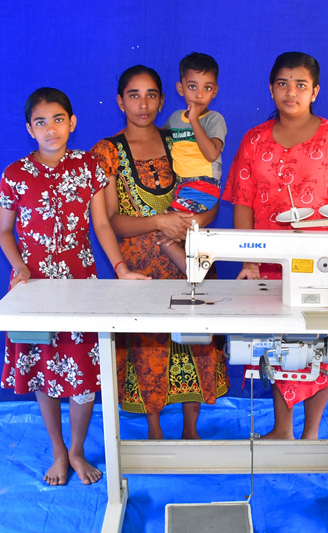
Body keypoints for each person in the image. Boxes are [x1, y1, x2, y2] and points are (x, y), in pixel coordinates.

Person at [0, 87, 150, 486]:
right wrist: (19, 268)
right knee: (43, 371)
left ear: (72, 122)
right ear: (30, 129)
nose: (51, 129)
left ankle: (78, 450)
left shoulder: (88, 167)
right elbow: (5, 231)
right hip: (35, 292)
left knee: (82, 372)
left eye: (58, 119)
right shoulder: (14, 175)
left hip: (81, 287)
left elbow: (102, 224)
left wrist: (120, 268)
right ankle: (58, 451)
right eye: (41, 122)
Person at [222, 52, 328, 440]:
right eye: (283, 83)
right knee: (278, 346)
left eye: (301, 84)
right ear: (271, 89)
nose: (291, 92)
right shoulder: (253, 141)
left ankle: (312, 434)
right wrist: (249, 260)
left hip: (322, 263)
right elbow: (243, 202)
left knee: (320, 345)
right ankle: (283, 429)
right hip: (270, 264)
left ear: (315, 91)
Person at [91, 65, 229, 440]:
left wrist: (190, 223)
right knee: (148, 348)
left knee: (195, 343)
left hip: (189, 258)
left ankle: (191, 430)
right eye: (133, 95)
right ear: (120, 101)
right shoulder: (107, 152)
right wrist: (159, 223)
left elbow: (209, 190)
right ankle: (153, 431)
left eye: (151, 94)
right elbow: (111, 220)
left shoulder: (182, 138)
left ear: (163, 99)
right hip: (141, 269)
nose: (143, 104)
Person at [159, 52, 227, 273]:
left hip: (203, 184)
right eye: (192, 87)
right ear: (180, 88)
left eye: (207, 88)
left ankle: (193, 271)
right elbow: (163, 142)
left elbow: (211, 153)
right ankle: (196, 264)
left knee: (168, 225)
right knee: (178, 226)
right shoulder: (175, 118)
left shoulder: (214, 119)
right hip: (182, 185)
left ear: (215, 91)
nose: (199, 95)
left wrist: (195, 120)